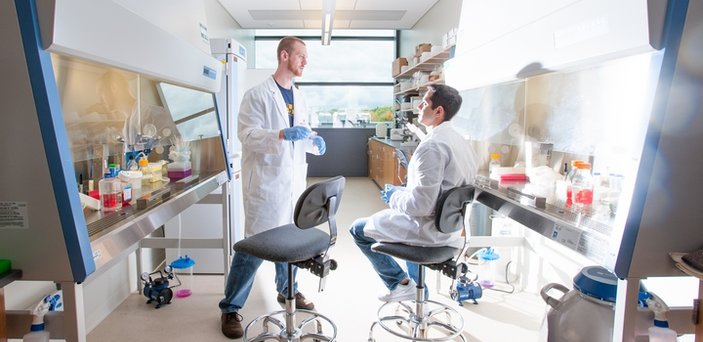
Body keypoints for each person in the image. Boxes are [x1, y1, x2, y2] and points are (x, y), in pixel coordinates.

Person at [219, 36, 327, 339]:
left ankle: (287, 290)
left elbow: (301, 136)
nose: (306, 61)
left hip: (292, 183)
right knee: (254, 247)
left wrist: (314, 142)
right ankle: (230, 307)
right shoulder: (257, 95)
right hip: (265, 185)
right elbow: (248, 135)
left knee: (289, 240)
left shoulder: (300, 96)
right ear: (284, 56)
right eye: (301, 56)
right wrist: (280, 134)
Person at [349, 84, 478, 303]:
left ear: (439, 111)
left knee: (357, 229)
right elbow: (437, 194)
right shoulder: (459, 141)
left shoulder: (432, 146)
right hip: (451, 230)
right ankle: (417, 290)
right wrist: (404, 193)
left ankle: (401, 284)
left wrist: (394, 197)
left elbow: (421, 206)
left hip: (428, 232)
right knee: (401, 223)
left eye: (425, 102)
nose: (419, 105)